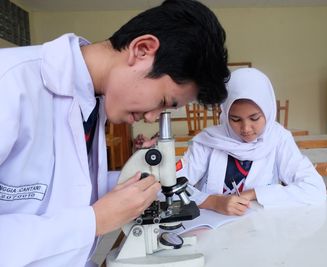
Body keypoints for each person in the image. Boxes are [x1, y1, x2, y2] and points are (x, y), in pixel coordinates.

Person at [0, 0, 229, 266]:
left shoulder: (92, 101)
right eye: (164, 101)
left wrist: (135, 184)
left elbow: (62, 188)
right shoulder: (9, 83)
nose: (153, 117)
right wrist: (94, 221)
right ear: (142, 50)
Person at [176, 68, 327, 216]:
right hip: (212, 228)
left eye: (254, 118)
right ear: (225, 113)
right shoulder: (209, 141)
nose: (246, 128)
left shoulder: (278, 139)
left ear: (268, 112)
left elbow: (314, 188)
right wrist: (212, 202)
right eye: (235, 119)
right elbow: (169, 188)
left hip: (260, 229)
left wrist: (255, 193)